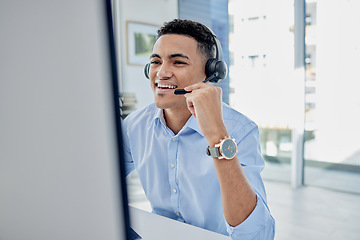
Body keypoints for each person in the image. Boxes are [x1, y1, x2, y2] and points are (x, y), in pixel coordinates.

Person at [122, 19, 275, 239]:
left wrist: (217, 135)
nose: (161, 73)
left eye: (178, 62)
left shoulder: (240, 129)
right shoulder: (135, 125)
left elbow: (256, 235)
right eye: (156, 61)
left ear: (211, 73)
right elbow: (99, 182)